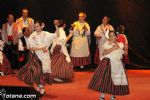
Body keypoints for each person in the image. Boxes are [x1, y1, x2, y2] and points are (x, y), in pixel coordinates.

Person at [17, 21, 56, 96]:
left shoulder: (46, 34)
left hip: (45, 57)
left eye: (37, 26)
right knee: (37, 72)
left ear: (42, 26)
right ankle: (40, 87)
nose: (36, 28)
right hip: (35, 57)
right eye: (35, 27)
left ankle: (40, 87)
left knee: (43, 73)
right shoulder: (32, 35)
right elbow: (30, 48)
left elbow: (56, 35)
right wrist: (41, 48)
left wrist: (56, 26)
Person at [88, 31, 129, 100]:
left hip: (117, 65)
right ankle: (102, 96)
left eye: (113, 35)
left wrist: (126, 48)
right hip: (108, 63)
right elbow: (104, 52)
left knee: (115, 80)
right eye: (110, 36)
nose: (111, 37)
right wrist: (113, 48)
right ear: (108, 37)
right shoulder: (106, 43)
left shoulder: (121, 44)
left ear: (116, 37)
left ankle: (113, 95)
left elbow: (125, 54)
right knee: (105, 80)